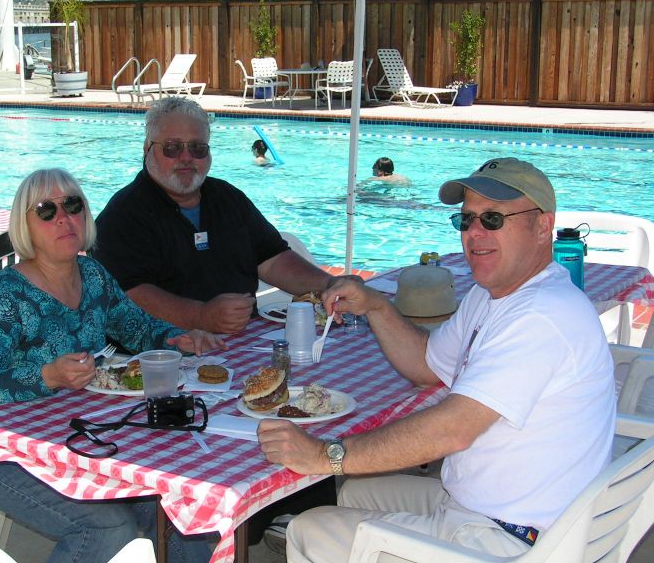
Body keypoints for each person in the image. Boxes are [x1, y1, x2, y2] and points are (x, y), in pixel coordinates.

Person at [257, 158, 616, 562]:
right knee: (353, 489)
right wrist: (377, 306)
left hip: (512, 541)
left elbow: (453, 431)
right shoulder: (493, 294)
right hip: (482, 506)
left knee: (311, 529)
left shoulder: (541, 315)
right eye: (467, 220)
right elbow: (428, 365)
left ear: (543, 225)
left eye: (494, 219)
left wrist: (326, 454)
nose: (475, 234)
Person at [0, 168, 223, 563]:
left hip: (74, 437)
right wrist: (48, 375)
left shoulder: (93, 276)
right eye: (46, 210)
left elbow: (137, 327)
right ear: (24, 225)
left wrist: (176, 338)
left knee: (174, 505)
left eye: (73, 205)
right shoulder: (5, 294)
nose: (64, 218)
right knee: (106, 525)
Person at [93, 96, 335, 335]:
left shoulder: (227, 198)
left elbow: (273, 259)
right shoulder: (121, 217)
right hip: (164, 359)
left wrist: (331, 286)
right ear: (148, 149)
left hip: (243, 343)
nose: (186, 157)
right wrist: (201, 316)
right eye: (172, 147)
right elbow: (128, 296)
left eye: (197, 148)